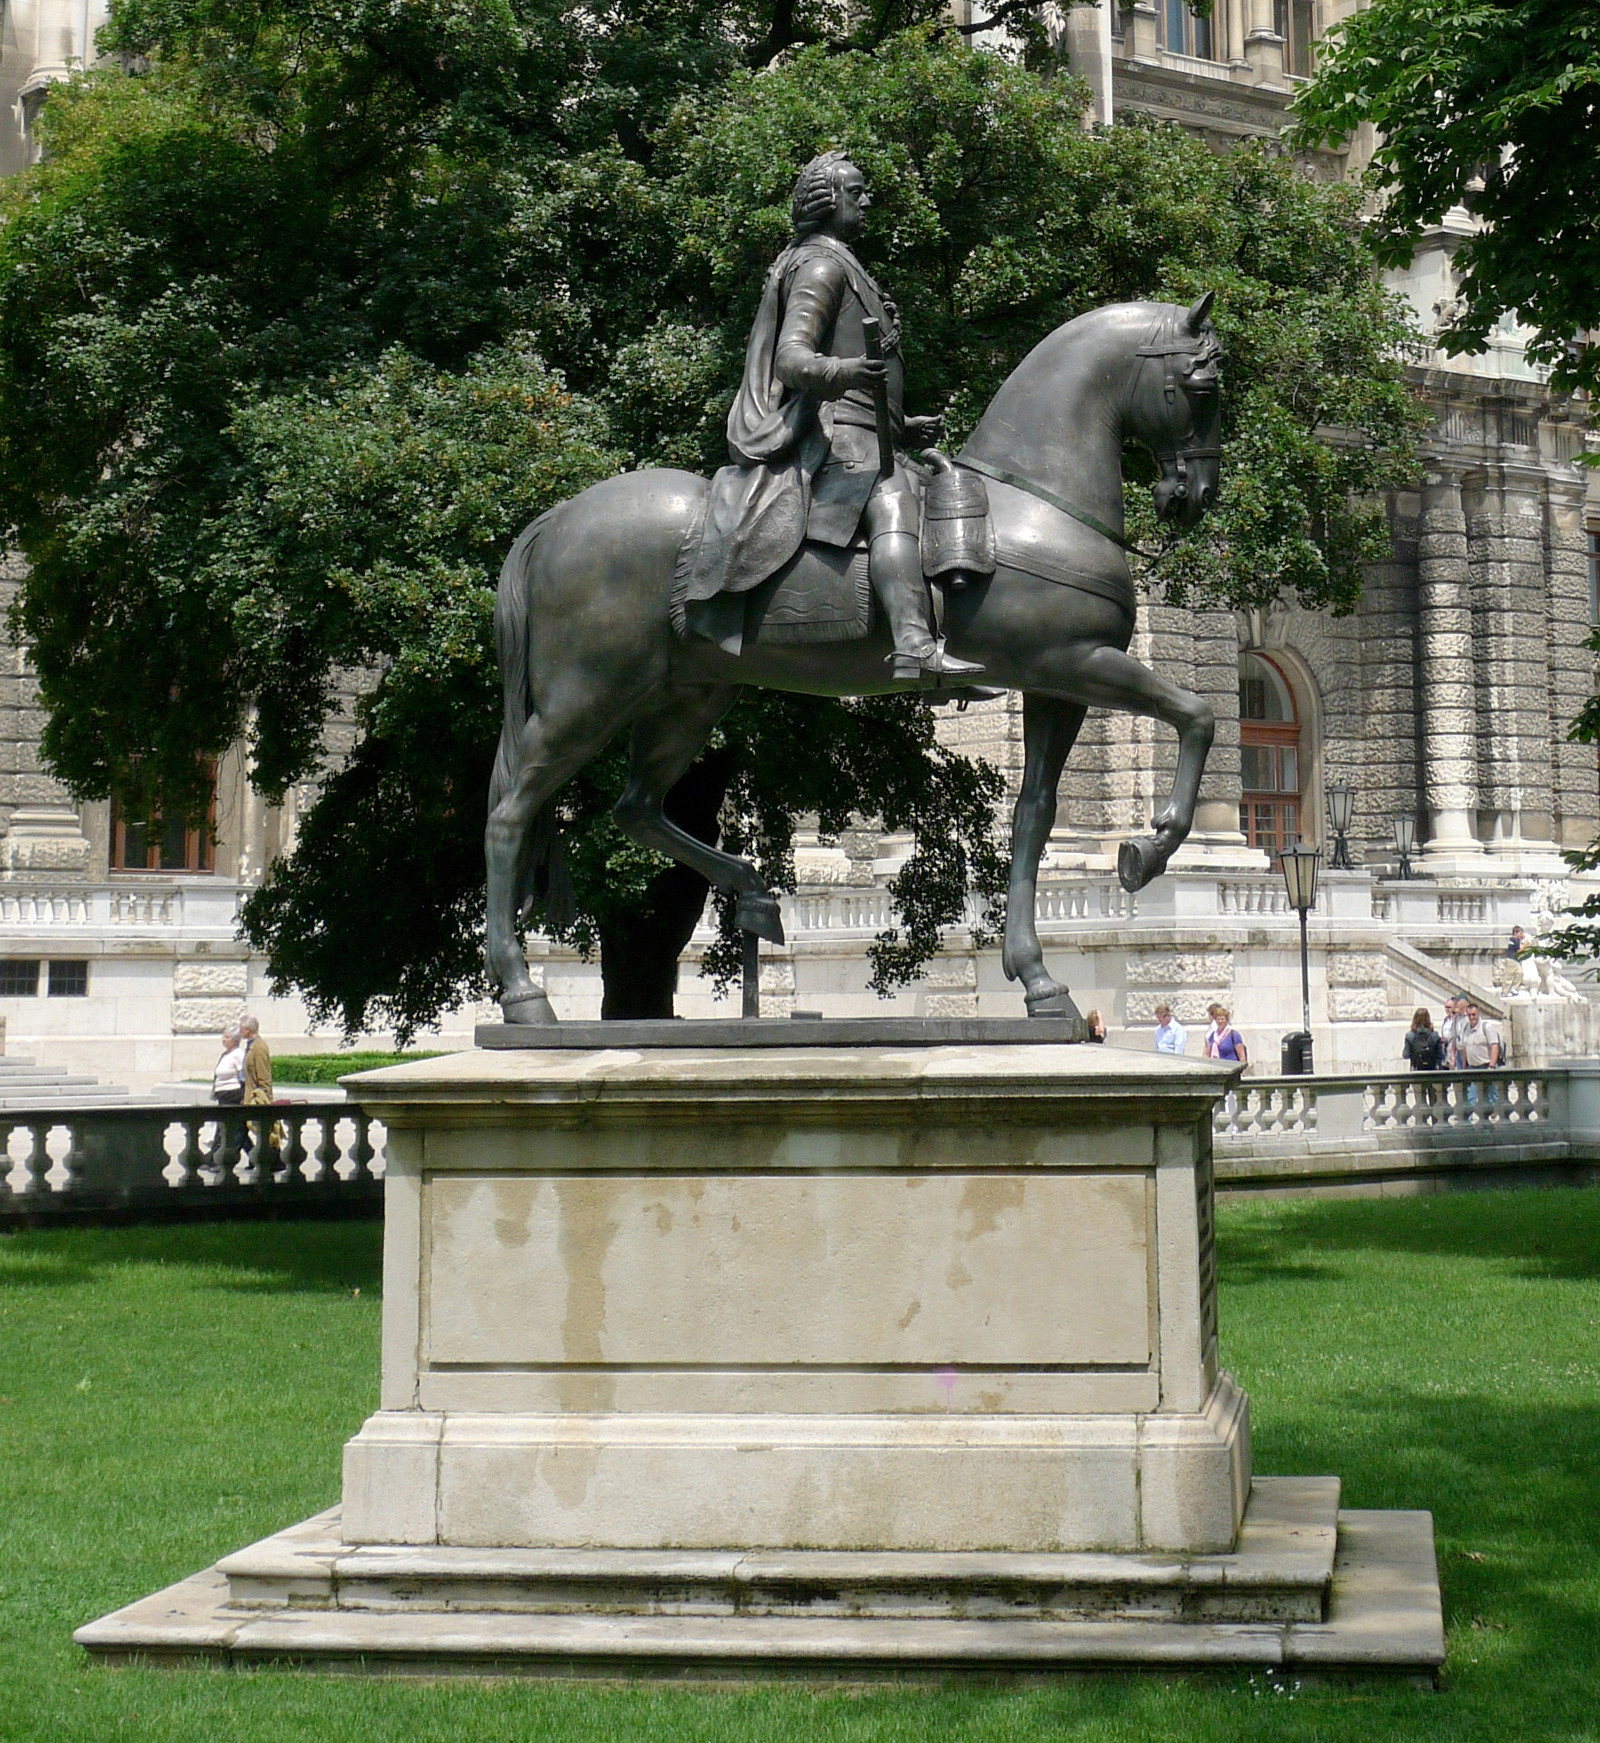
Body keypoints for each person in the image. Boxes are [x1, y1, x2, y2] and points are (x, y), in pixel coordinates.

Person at [680, 151, 983, 681]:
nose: (867, 201)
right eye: (855, 191)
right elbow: (792, 360)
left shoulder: (844, 262)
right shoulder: (820, 265)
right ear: (826, 200)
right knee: (894, 502)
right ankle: (913, 642)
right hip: (835, 439)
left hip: (866, 431)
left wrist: (903, 426)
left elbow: (865, 385)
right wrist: (846, 371)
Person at [1459, 1001, 1503, 1106]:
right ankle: (1469, 1119)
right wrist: (1464, 1066)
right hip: (1472, 1068)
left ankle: (1491, 1115)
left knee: (1491, 1095)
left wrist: (1491, 1066)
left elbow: (1494, 1046)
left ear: (1478, 1014)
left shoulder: (1486, 1027)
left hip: (1486, 1066)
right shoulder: (1465, 1028)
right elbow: (1464, 1048)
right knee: (1471, 1096)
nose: (1471, 1017)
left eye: (1473, 1014)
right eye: (1469, 1015)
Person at [241, 1015, 273, 1105]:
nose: (240, 1031)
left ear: (248, 1030)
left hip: (256, 1100)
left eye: (241, 1029)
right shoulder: (251, 1046)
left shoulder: (259, 1047)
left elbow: (264, 1076)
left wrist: (262, 1099)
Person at [212, 1026, 246, 1104]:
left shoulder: (238, 1054)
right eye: (223, 1037)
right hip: (221, 1094)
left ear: (236, 1041)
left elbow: (243, 1076)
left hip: (232, 1094)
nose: (224, 1040)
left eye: (227, 1037)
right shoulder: (225, 1054)